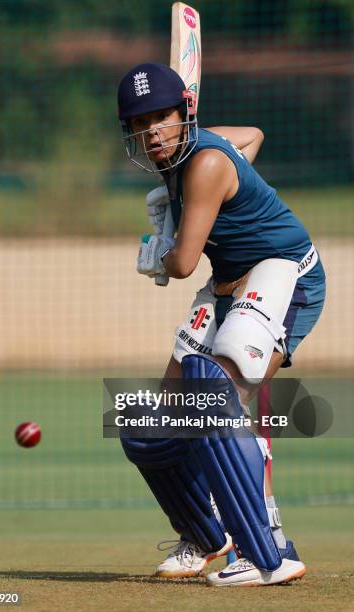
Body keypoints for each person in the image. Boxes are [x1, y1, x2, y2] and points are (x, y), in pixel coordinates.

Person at [116, 63, 326, 587]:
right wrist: (198, 185)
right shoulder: (190, 153)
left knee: (216, 396)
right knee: (155, 423)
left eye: (161, 117)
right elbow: (250, 137)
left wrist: (157, 253)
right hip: (230, 281)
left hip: (285, 272)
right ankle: (205, 537)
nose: (152, 133)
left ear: (184, 111)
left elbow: (184, 264)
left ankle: (269, 552)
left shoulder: (203, 163)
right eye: (140, 123)